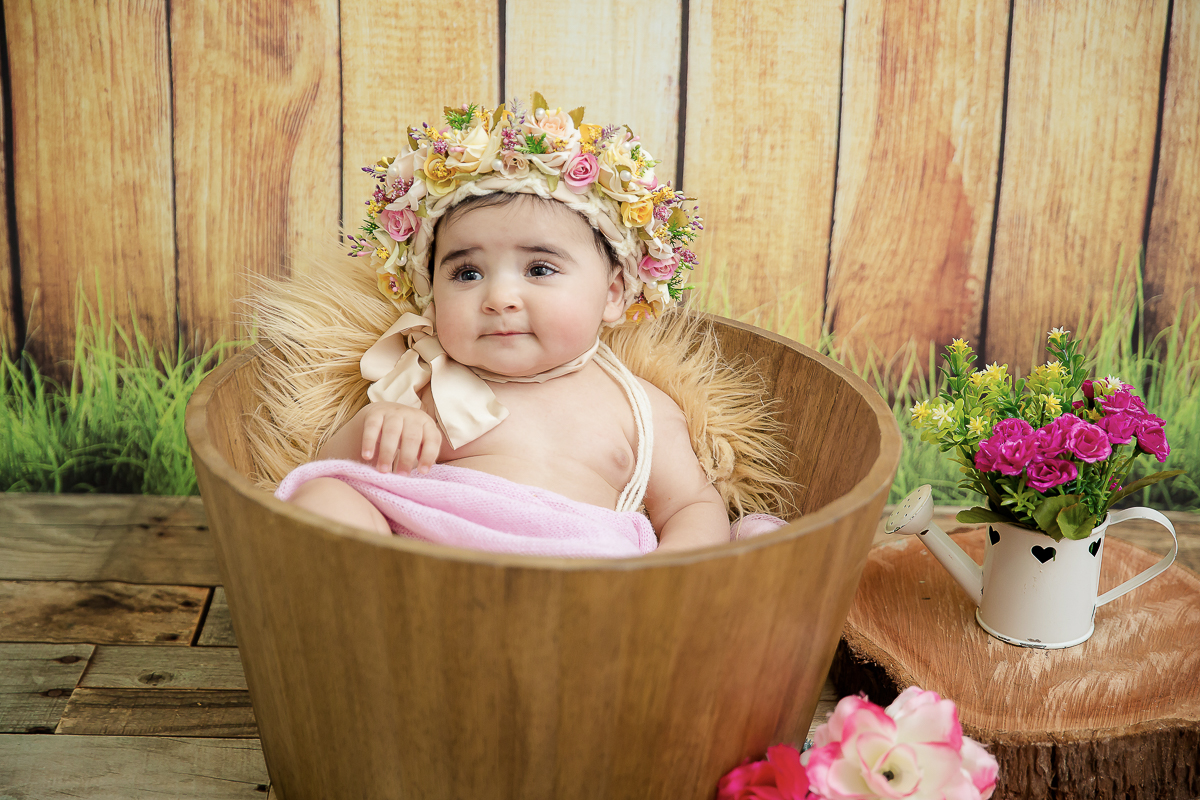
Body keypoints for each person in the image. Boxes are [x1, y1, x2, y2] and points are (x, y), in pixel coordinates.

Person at [272, 94, 786, 556]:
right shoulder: (426, 379)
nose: (498, 298)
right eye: (467, 273)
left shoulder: (638, 405)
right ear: (431, 296)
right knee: (325, 497)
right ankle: (368, 633)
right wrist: (377, 425)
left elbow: (690, 505)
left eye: (540, 269)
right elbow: (328, 461)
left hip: (575, 578)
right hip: (426, 570)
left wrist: (671, 574)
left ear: (611, 295)